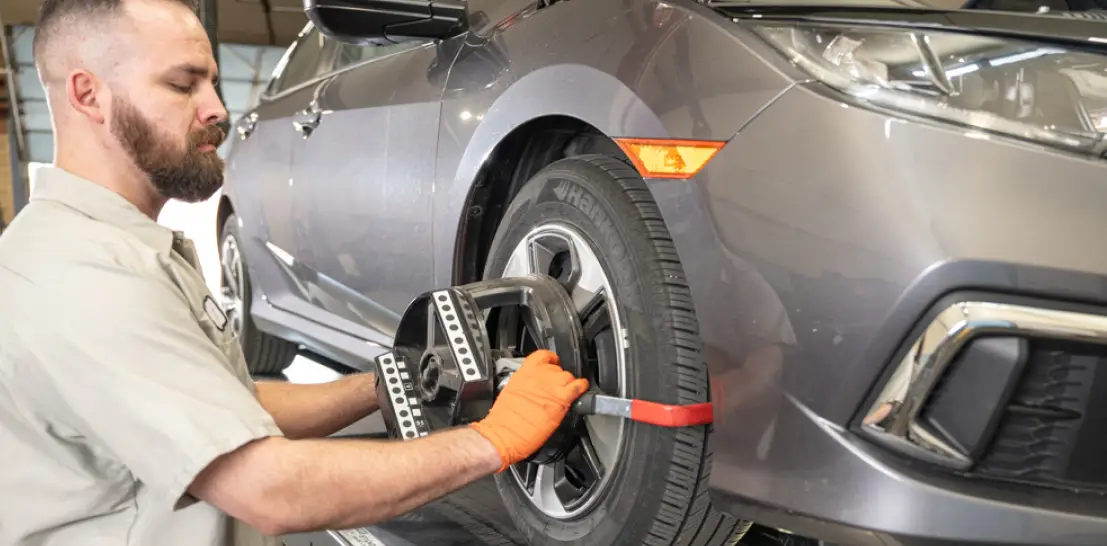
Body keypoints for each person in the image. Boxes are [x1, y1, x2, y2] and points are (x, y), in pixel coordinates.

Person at [0, 0, 590, 544]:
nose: (218, 109)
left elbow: (228, 405)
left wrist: (391, 382)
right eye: (182, 84)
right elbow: (271, 489)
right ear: (89, 95)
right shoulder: (83, 278)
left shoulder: (103, 247)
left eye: (210, 81)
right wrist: (492, 440)